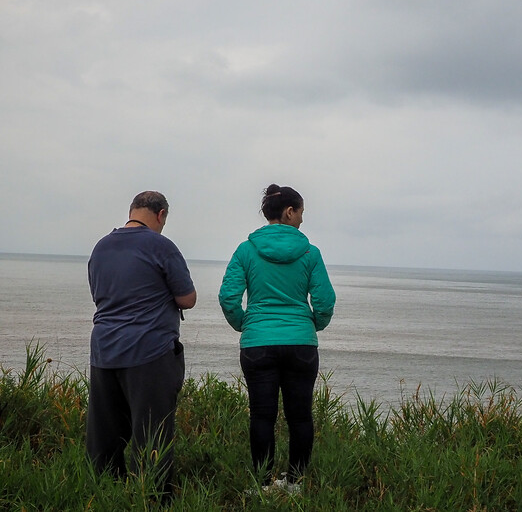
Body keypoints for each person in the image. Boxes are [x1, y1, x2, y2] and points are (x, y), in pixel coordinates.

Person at [219, 184, 336, 493]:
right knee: (300, 416)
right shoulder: (311, 253)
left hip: (258, 342)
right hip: (300, 343)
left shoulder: (246, 250)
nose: (301, 220)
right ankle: (295, 483)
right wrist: (312, 326)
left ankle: (261, 485)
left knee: (261, 415)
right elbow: (324, 302)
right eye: (300, 213)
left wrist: (246, 324)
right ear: (288, 211)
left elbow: (228, 296)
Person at [86, 190, 196, 496]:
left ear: (133, 210)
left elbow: (99, 294)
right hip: (150, 351)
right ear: (161, 215)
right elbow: (187, 299)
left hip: (104, 350)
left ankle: (104, 493)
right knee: (152, 435)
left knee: (105, 434)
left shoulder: (101, 247)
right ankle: (153, 497)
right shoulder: (161, 246)